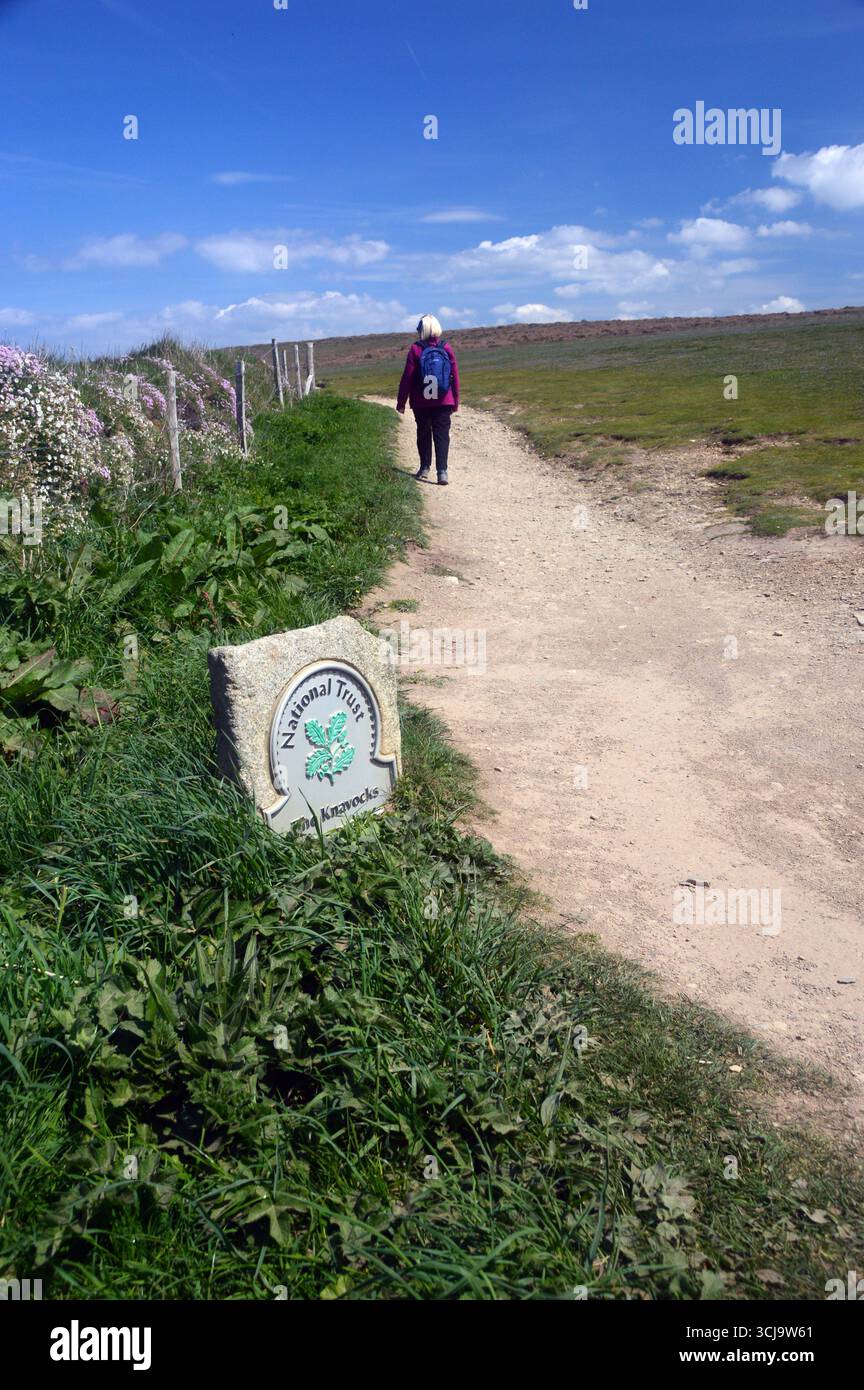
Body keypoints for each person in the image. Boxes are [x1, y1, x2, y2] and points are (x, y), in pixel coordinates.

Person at [396, 314, 459, 485]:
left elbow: (407, 377)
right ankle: (442, 472)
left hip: (421, 401)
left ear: (421, 330)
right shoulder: (446, 347)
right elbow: (455, 376)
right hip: (444, 400)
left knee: (423, 433)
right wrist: (455, 401)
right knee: (442, 435)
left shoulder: (415, 349)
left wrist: (401, 402)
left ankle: (424, 467)